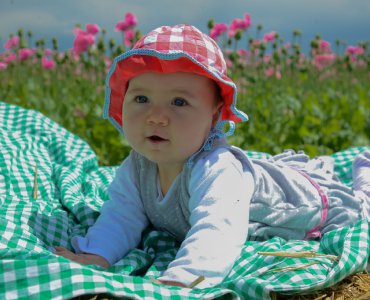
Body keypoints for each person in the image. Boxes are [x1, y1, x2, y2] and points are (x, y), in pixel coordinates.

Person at [54, 24, 370, 288]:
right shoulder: (137, 166)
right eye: (141, 98)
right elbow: (121, 216)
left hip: (309, 207)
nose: (156, 117)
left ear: (214, 116)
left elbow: (217, 230)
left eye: (179, 102)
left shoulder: (216, 169)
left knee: (363, 206)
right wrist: (97, 254)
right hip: (262, 186)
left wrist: (185, 279)